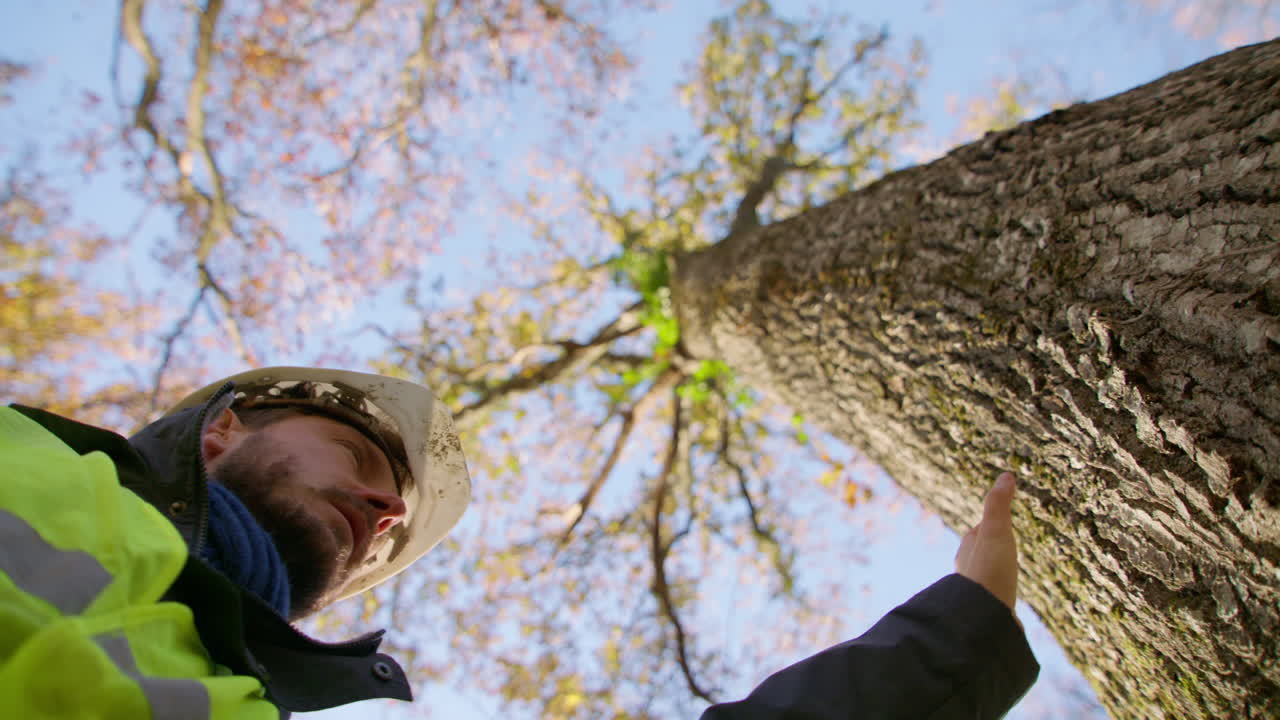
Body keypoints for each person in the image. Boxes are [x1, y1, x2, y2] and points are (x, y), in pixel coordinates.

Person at [2, 366, 1036, 718]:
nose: (383, 511)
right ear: (226, 430)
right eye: (357, 454)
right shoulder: (25, 451)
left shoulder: (231, 694)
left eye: (389, 520)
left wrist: (960, 633)